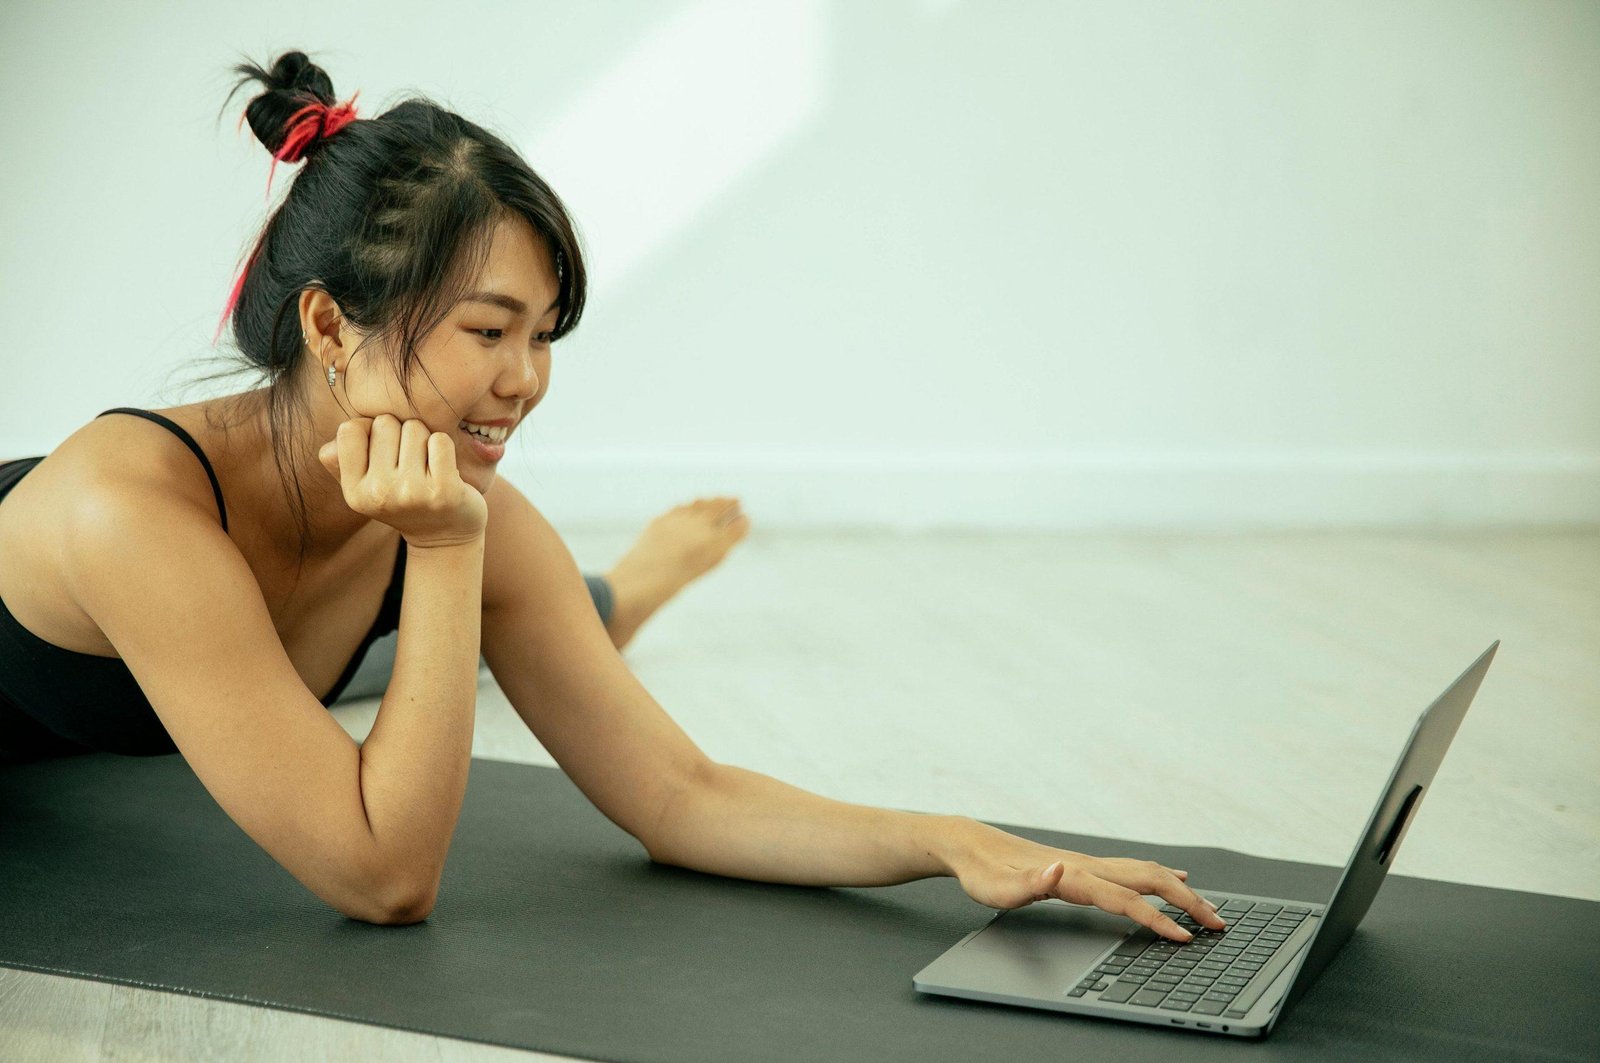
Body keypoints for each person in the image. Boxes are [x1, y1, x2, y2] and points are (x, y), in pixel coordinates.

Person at [0, 51, 1225, 942]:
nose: (525, 380)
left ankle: (606, 598)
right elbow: (384, 875)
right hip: (71, 686)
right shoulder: (131, 509)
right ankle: (613, 598)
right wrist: (438, 554)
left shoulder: (447, 497)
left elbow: (680, 794)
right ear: (330, 321)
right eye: (490, 328)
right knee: (398, 656)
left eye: (544, 335)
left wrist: (955, 840)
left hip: (186, 676)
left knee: (413, 650)